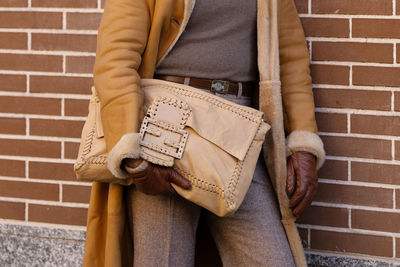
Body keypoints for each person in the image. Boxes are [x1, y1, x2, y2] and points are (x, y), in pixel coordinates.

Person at [82, 0, 325, 266]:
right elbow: (115, 62)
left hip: (239, 134)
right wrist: (137, 159)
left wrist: (303, 143)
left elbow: (291, 60)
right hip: (164, 132)